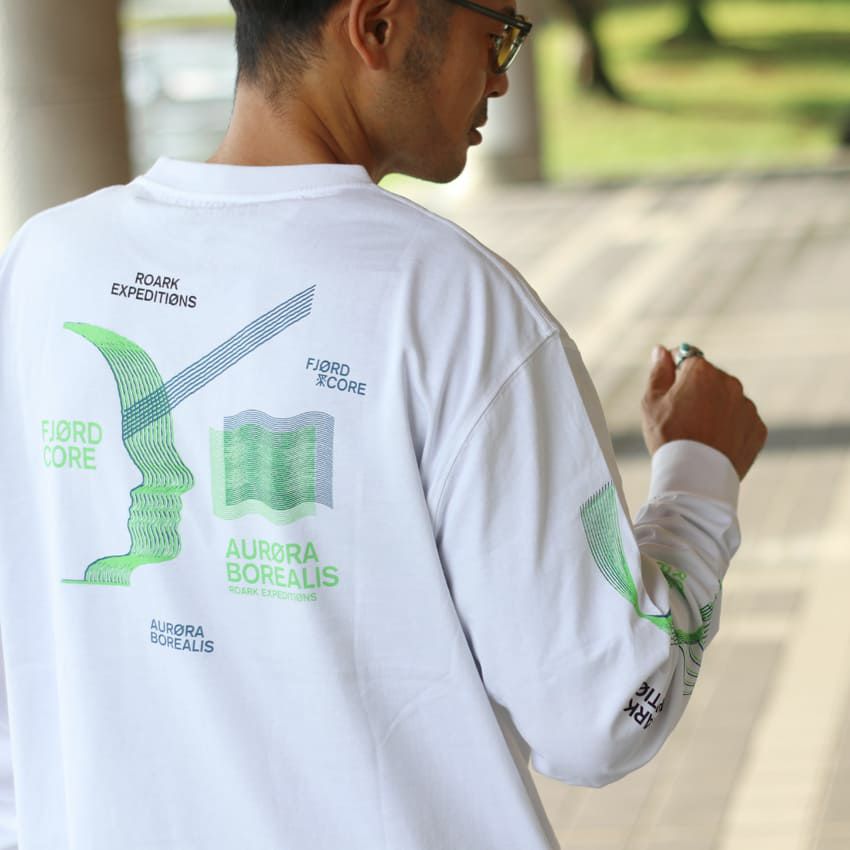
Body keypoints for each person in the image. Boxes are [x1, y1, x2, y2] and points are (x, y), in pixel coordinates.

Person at [0, 1, 766, 848]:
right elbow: (604, 713)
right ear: (377, 27)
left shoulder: (45, 268)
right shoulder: (452, 304)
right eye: (496, 36)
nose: (502, 79)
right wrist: (698, 478)